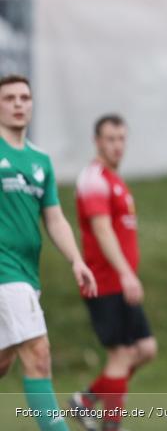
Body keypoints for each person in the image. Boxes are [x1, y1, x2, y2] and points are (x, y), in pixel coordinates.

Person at [0, 74, 97, 431]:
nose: (17, 104)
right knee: (38, 354)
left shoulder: (41, 160)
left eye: (24, 97)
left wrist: (76, 260)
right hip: (4, 271)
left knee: (3, 363)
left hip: (27, 272)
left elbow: (54, 218)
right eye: (9, 98)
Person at [69, 115, 157, 431]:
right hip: (104, 282)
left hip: (119, 281)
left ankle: (88, 400)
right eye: (110, 139)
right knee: (121, 354)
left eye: (121, 138)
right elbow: (103, 231)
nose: (117, 145)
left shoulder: (114, 179)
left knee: (145, 349)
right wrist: (126, 274)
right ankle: (111, 425)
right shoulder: (93, 179)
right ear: (97, 141)